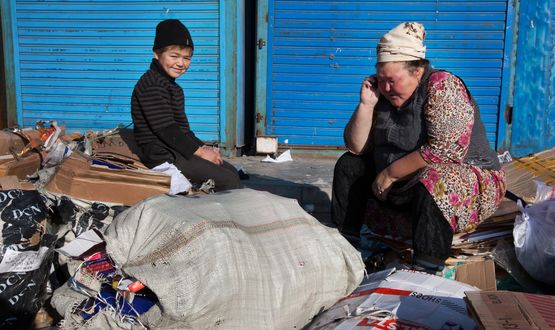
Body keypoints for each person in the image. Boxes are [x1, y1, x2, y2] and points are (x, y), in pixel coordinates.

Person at [331, 22, 506, 270]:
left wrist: (390, 173)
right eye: (381, 80)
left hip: (467, 179)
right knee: (350, 165)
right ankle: (344, 247)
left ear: (417, 71)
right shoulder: (382, 93)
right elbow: (356, 147)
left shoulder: (442, 86)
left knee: (437, 178)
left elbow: (445, 151)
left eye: (393, 80)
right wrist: (366, 104)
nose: (387, 88)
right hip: (405, 182)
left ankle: (426, 267)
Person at [131, 19, 240, 191]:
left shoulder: (171, 86)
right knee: (228, 181)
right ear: (157, 54)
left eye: (186, 58)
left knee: (232, 172)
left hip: (175, 149)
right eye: (174, 56)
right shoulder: (152, 85)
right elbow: (167, 129)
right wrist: (202, 153)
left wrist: (203, 147)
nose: (181, 63)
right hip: (162, 155)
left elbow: (182, 129)